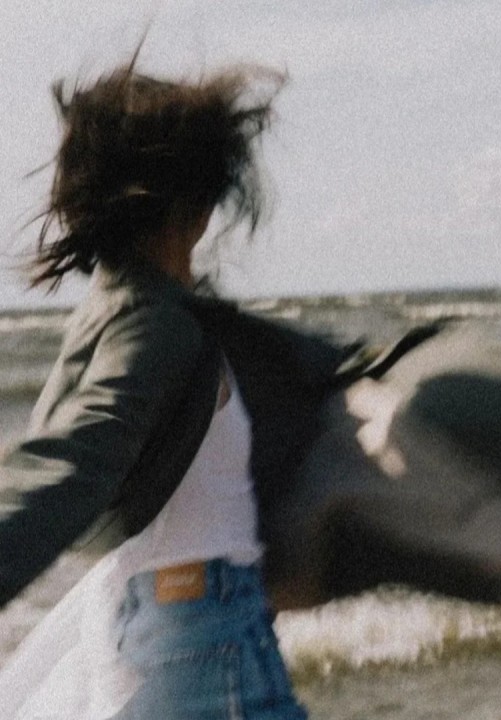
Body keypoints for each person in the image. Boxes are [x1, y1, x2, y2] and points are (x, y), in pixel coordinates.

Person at [0, 54, 310, 719]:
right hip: (203, 637)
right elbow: (71, 462)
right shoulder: (155, 326)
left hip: (175, 625)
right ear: (192, 204)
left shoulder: (129, 314)